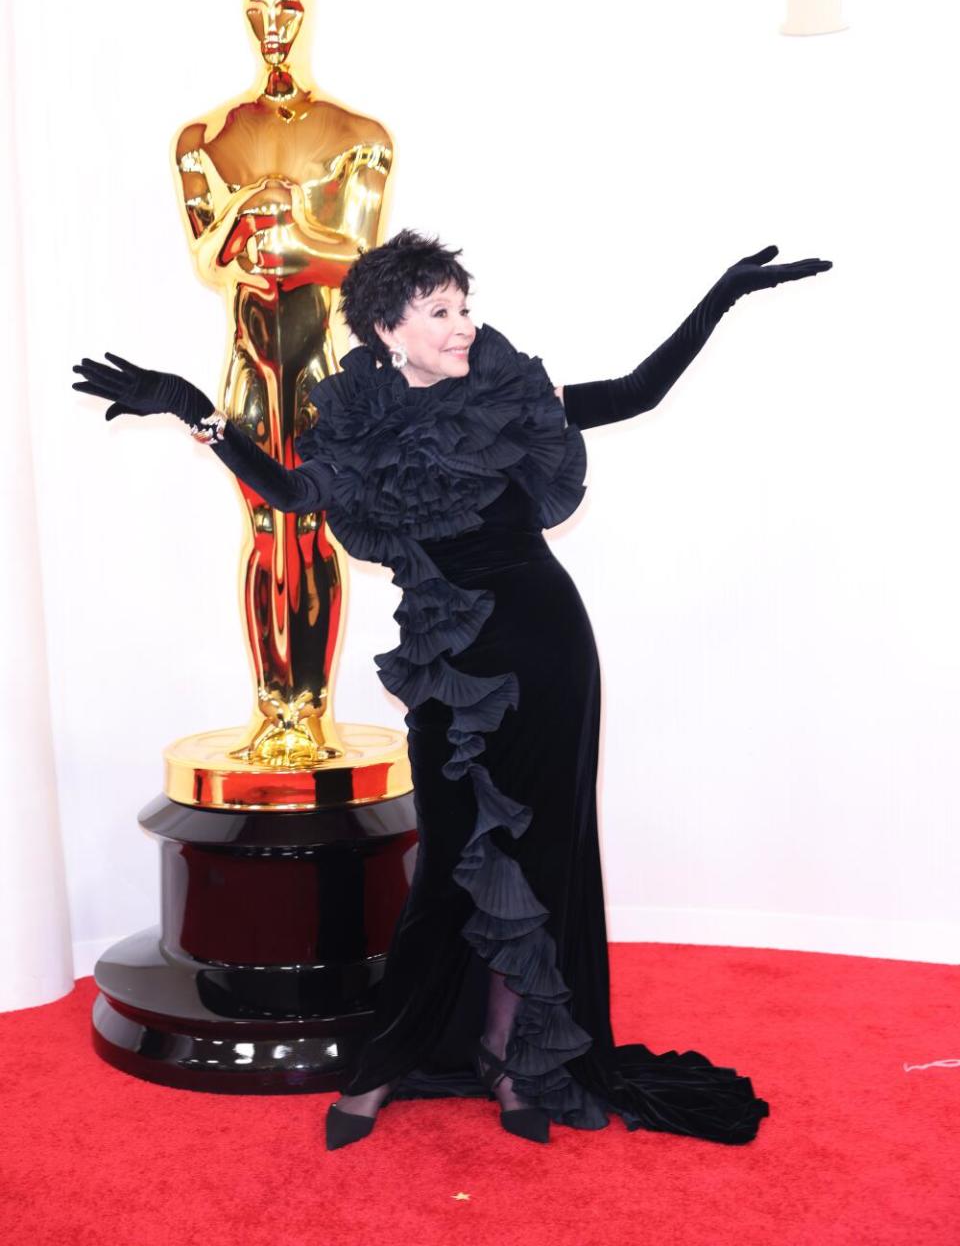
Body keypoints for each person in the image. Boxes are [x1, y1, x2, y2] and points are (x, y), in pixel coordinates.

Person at [72, 229, 832, 1150]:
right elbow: (293, 494)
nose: (465, 325)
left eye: (465, 307)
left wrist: (721, 297)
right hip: (448, 657)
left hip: (547, 646)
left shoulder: (507, 397)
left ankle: (508, 1056)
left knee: (539, 858)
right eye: (442, 312)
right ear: (389, 328)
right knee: (446, 865)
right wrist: (197, 411)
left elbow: (635, 393)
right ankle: (393, 1057)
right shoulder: (355, 421)